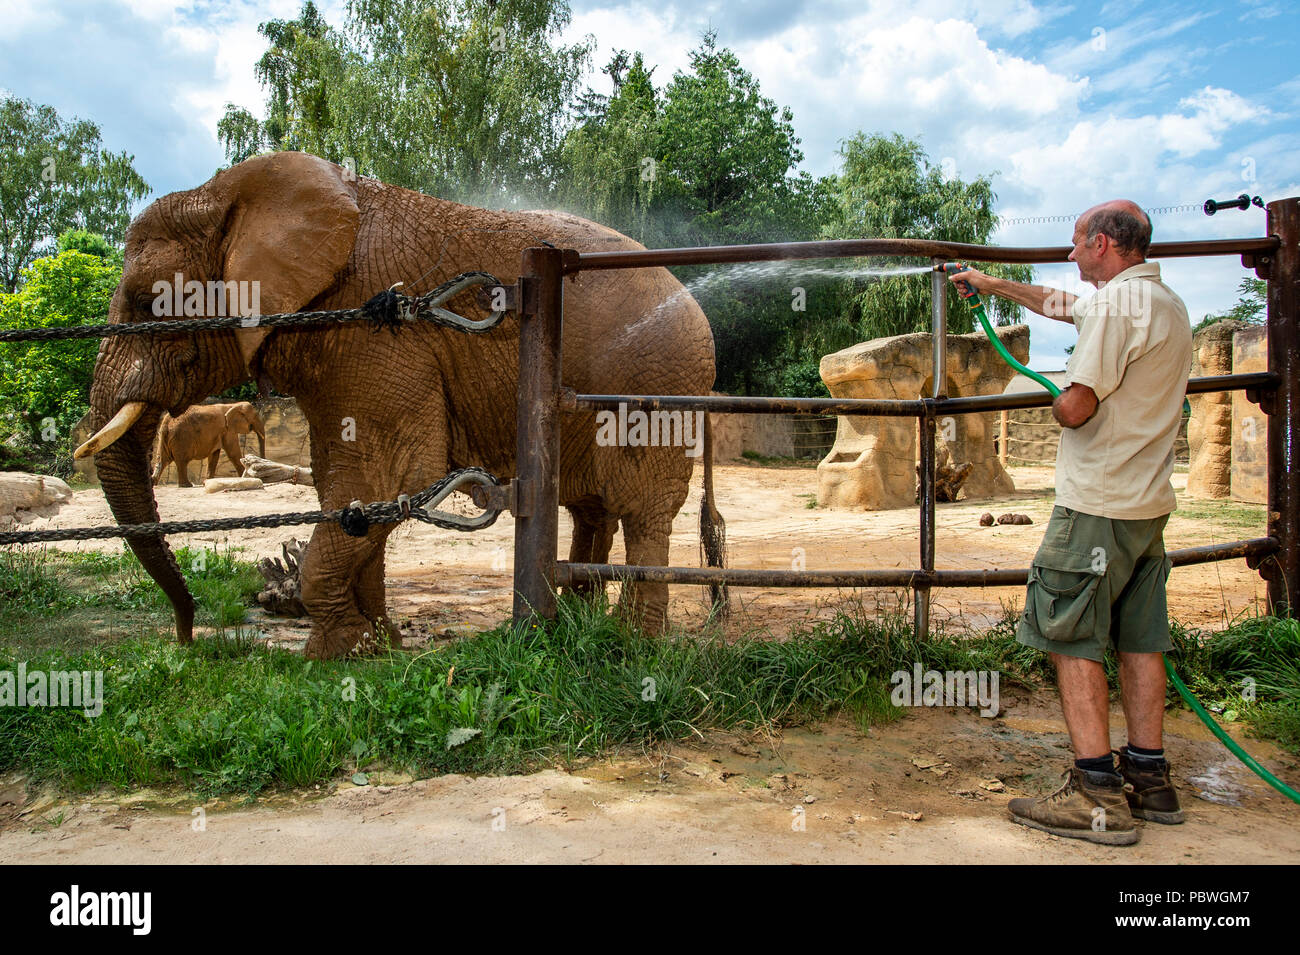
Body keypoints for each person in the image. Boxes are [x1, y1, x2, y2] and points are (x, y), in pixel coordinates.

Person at [949, 200, 1192, 846]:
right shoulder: (1163, 303)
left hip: (1097, 507)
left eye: (1078, 242)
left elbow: (1079, 406)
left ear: (1105, 244)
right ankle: (1149, 776)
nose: (1071, 252)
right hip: (1147, 508)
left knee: (1070, 630)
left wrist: (1058, 403)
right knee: (1140, 639)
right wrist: (992, 284)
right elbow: (1062, 303)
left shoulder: (1116, 310)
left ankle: (1093, 791)